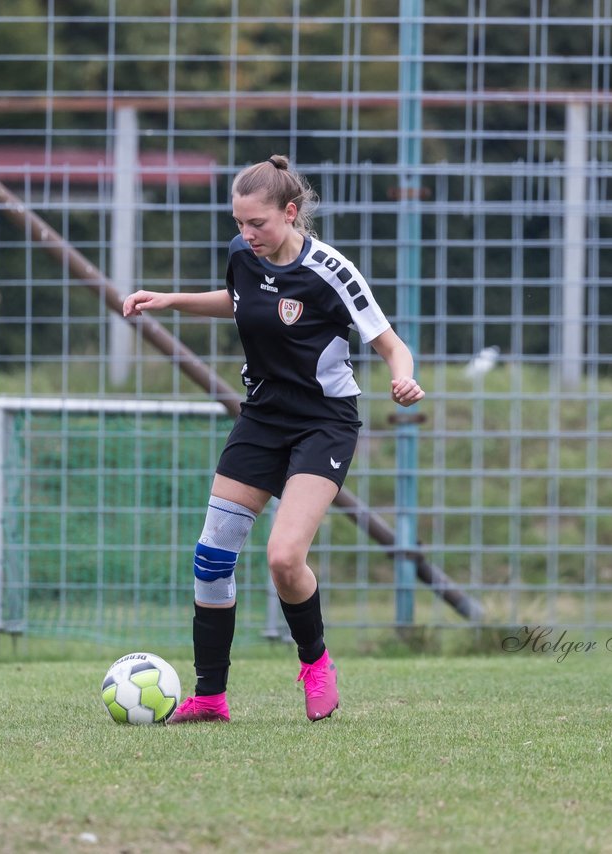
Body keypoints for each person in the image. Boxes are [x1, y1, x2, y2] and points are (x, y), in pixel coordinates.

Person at [123, 155, 424, 722]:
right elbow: (237, 300)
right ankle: (210, 696)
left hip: (323, 422)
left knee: (285, 558)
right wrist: (169, 300)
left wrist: (403, 377)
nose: (246, 234)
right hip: (261, 417)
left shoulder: (331, 269)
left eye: (257, 223)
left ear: (290, 213)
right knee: (212, 559)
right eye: (239, 223)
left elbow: (389, 342)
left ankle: (315, 663)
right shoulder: (244, 256)